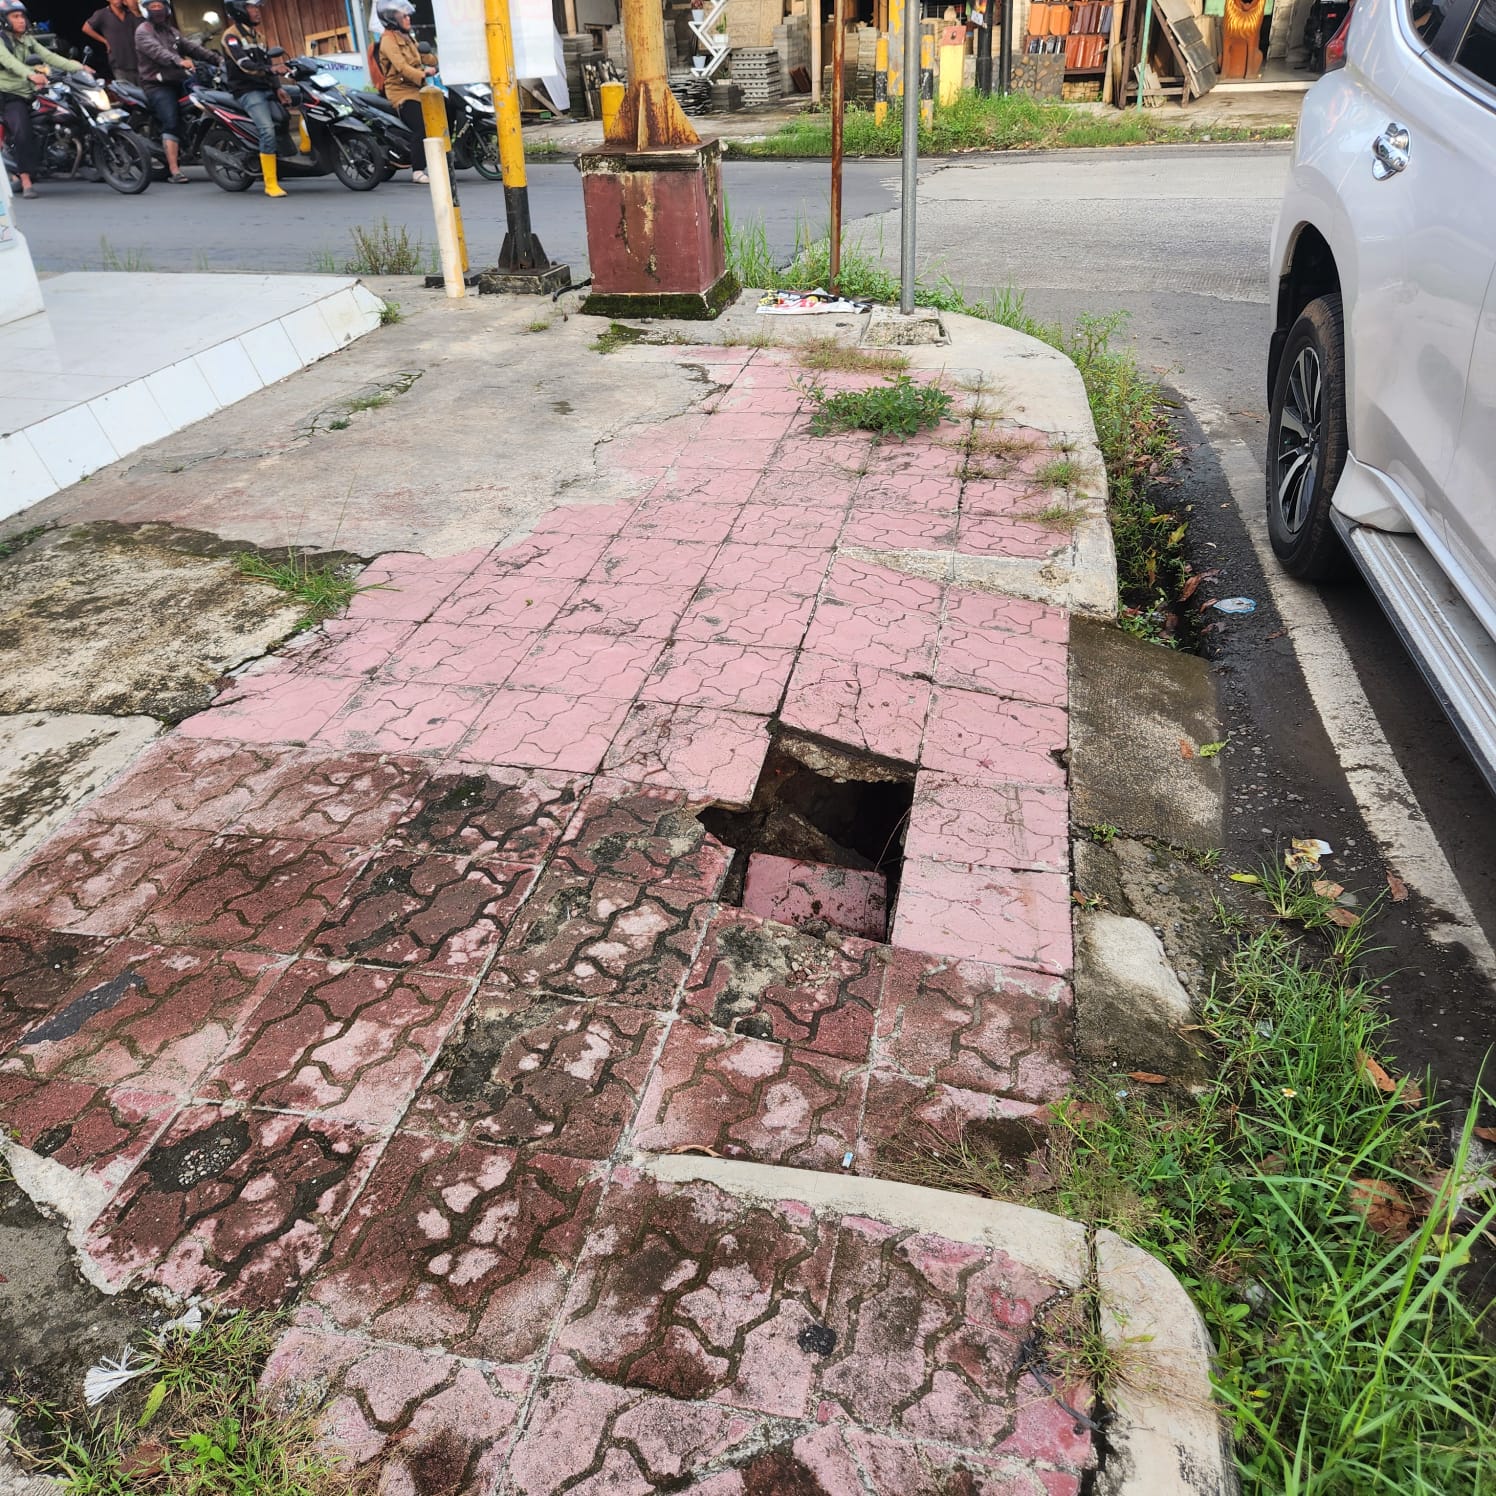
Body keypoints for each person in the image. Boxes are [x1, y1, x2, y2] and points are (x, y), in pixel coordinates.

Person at [0, 0, 82, 197]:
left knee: (62, 111)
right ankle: (26, 179)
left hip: (30, 92)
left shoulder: (27, 40)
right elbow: (10, 62)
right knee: (22, 132)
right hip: (9, 94)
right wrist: (30, 74)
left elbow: (49, 56)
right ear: (4, 20)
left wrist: (78, 68)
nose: (21, 20)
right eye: (15, 17)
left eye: (22, 16)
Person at [134, 0, 211, 182]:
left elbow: (191, 47)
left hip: (179, 80)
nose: (157, 10)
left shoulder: (171, 31)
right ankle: (174, 170)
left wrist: (218, 59)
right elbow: (158, 52)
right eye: (153, 7)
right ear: (145, 10)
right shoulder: (143, 32)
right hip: (157, 84)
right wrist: (179, 61)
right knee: (171, 121)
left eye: (160, 6)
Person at [220, 0, 287, 196]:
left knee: (301, 99)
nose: (257, 12)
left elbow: (267, 63)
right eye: (252, 8)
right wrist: (271, 69)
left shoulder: (258, 36)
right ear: (240, 10)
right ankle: (270, 184)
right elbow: (245, 64)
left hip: (265, 86)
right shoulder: (231, 36)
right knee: (267, 130)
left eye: (257, 8)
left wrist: (278, 87)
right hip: (247, 90)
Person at [375, 0, 434, 185]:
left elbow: (423, 56)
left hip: (419, 88)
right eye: (404, 17)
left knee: (445, 109)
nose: (408, 19)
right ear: (392, 20)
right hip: (401, 93)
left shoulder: (407, 36)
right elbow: (401, 67)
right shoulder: (388, 41)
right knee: (421, 126)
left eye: (408, 15)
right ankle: (417, 171)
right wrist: (423, 73)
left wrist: (439, 61)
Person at [82, 0, 140, 85]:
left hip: (139, 62)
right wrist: (105, 41)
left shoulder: (132, 12)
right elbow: (86, 28)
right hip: (119, 63)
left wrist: (133, 8)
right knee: (127, 94)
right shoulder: (102, 14)